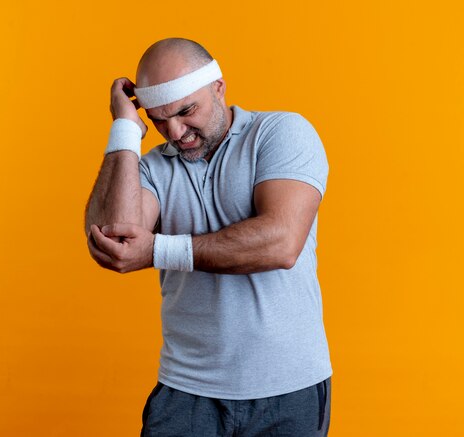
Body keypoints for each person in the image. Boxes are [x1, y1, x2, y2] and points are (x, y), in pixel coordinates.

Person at [84, 38, 332, 436]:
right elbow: (114, 240)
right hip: (187, 391)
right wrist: (125, 132)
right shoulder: (150, 169)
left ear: (219, 87)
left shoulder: (280, 133)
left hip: (289, 388)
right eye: (160, 120)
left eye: (186, 111)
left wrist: (157, 250)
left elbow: (281, 243)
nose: (177, 132)